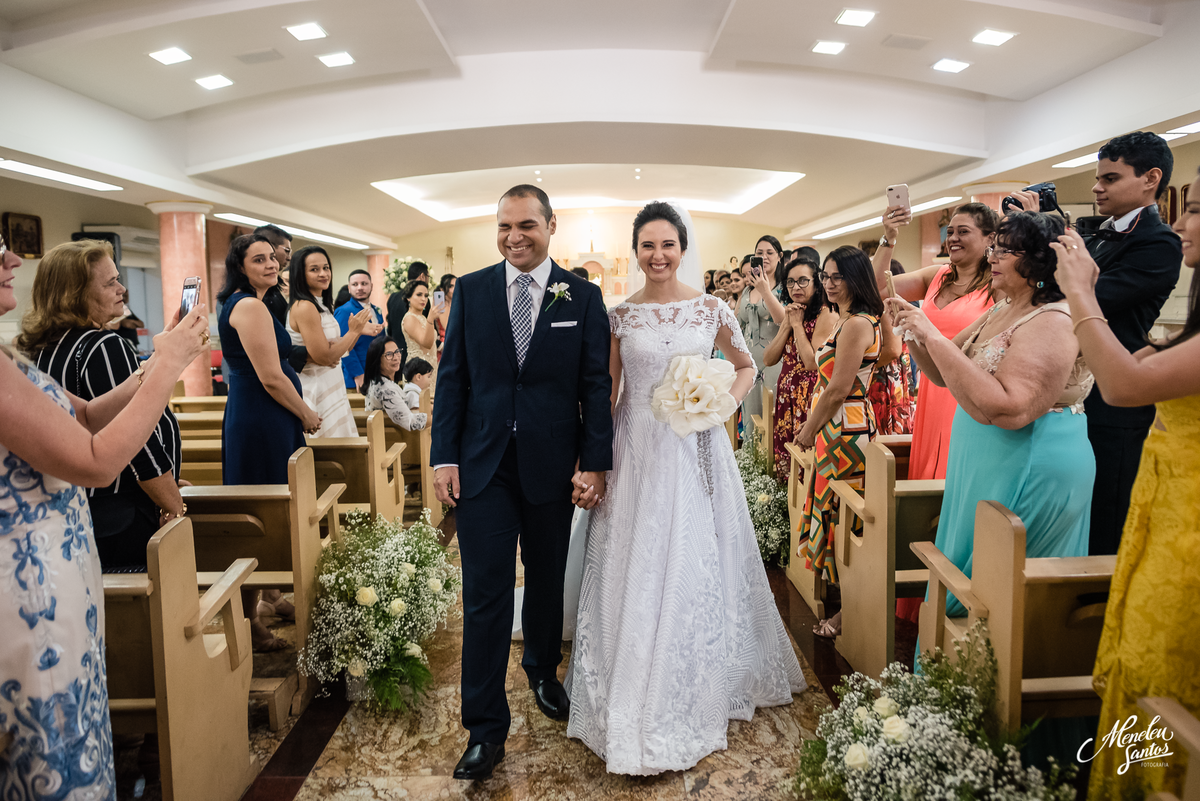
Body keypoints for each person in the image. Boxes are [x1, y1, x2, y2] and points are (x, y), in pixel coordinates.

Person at [566, 201, 804, 775]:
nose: (657, 255)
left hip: (696, 445)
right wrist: (591, 460)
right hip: (637, 450)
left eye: (667, 244)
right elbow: (607, 392)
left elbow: (745, 366)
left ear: (682, 246)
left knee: (697, 555)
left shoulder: (711, 308)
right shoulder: (621, 316)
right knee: (638, 559)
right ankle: (631, 674)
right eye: (647, 245)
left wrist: (715, 399)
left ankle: (695, 671)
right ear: (635, 250)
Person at [1, 231, 208, 799]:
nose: (13, 258)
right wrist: (164, 370)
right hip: (29, 592)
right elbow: (96, 460)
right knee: (50, 751)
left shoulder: (14, 356)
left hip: (65, 571)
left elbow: (90, 415)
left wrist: (165, 352)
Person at [431, 185, 612, 782]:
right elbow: (453, 378)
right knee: (484, 595)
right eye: (505, 225)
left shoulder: (581, 296)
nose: (515, 236)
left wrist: (594, 462)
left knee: (545, 577)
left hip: (551, 462)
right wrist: (442, 458)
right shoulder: (474, 291)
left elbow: (594, 386)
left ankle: (542, 670)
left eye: (527, 225)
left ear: (551, 226)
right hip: (482, 465)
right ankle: (484, 730)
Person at [1051, 170, 1200, 801]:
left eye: (1195, 211)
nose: (1184, 223)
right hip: (1166, 520)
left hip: (1189, 539)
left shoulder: (1147, 252)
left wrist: (1081, 293)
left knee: (1161, 674)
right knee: (1141, 664)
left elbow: (1123, 388)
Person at [889, 212, 1094, 623]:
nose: (993, 256)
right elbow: (940, 374)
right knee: (970, 566)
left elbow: (1011, 408)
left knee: (1000, 587)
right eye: (995, 246)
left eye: (1005, 249)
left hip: (1028, 459)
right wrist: (911, 329)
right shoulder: (1005, 306)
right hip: (984, 458)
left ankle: (984, 681)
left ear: (1038, 260)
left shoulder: (1054, 316)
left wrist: (929, 332)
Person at [18, 240, 186, 570]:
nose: (122, 288)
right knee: (147, 616)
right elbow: (139, 441)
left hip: (77, 508)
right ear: (75, 293)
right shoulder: (104, 345)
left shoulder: (37, 349)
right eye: (110, 282)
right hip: (122, 512)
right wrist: (172, 503)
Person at [1060, 132, 1179, 557]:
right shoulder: (1096, 236)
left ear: (1150, 178)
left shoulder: (1160, 243)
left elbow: (1097, 299)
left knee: (1105, 520)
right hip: (1073, 390)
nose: (1097, 188)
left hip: (1117, 401)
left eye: (1110, 178)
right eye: (1098, 178)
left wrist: (1066, 281)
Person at [217, 234, 320, 650]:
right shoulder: (249, 306)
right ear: (240, 267)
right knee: (261, 516)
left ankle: (267, 600)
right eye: (257, 259)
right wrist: (306, 413)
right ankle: (250, 621)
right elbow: (272, 377)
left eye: (271, 258)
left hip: (259, 415)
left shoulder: (252, 304)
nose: (270, 264)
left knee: (266, 510)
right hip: (262, 419)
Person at [795, 246, 884, 637]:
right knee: (835, 510)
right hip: (841, 426)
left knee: (845, 519)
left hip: (844, 430)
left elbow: (837, 389)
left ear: (855, 278)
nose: (829, 284)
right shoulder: (851, 319)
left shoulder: (857, 323)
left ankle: (851, 612)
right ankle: (843, 603)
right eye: (825, 277)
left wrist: (808, 429)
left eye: (837, 277)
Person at [287, 245, 379, 437]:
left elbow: (340, 350)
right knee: (326, 452)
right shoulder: (304, 307)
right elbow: (324, 357)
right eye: (314, 269)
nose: (323, 273)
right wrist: (353, 332)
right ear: (300, 274)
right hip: (316, 386)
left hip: (331, 383)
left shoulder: (321, 305)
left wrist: (356, 333)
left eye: (326, 267)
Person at [763, 255, 837, 482]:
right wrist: (787, 324)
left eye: (803, 281)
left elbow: (812, 362)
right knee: (786, 457)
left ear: (817, 283)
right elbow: (768, 358)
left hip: (810, 395)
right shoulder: (792, 312)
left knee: (805, 461)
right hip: (787, 396)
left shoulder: (826, 313)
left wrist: (796, 326)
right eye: (791, 282)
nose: (796, 287)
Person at [737, 236, 787, 420]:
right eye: (759, 253)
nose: (764, 257)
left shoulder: (784, 288)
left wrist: (765, 290)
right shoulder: (747, 290)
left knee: (771, 416)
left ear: (779, 256)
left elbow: (783, 321)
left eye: (769, 252)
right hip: (748, 361)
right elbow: (737, 323)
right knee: (750, 416)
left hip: (774, 360)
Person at [867, 259, 917, 436]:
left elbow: (893, 349)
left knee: (884, 430)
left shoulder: (886, 304)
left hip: (885, 373)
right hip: (889, 371)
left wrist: (863, 367)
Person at [361, 337, 428, 431]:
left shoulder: (379, 382)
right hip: (394, 440)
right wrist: (440, 418)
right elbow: (411, 422)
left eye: (397, 351)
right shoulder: (385, 389)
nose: (396, 357)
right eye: (389, 354)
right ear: (377, 359)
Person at [335, 269, 385, 390]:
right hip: (357, 376)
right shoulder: (344, 311)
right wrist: (357, 374)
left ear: (371, 286)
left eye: (364, 284)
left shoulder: (376, 310)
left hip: (378, 372)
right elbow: (342, 346)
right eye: (355, 284)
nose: (359, 288)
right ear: (349, 288)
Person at [400, 279, 438, 396]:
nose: (423, 299)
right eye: (419, 295)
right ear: (408, 297)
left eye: (426, 295)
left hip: (431, 365)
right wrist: (431, 319)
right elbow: (426, 343)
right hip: (418, 370)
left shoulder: (422, 317)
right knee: (422, 405)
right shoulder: (409, 318)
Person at [433, 272, 457, 347]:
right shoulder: (441, 307)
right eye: (451, 286)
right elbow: (450, 329)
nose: (455, 289)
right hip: (447, 345)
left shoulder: (455, 304)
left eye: (456, 286)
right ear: (442, 289)